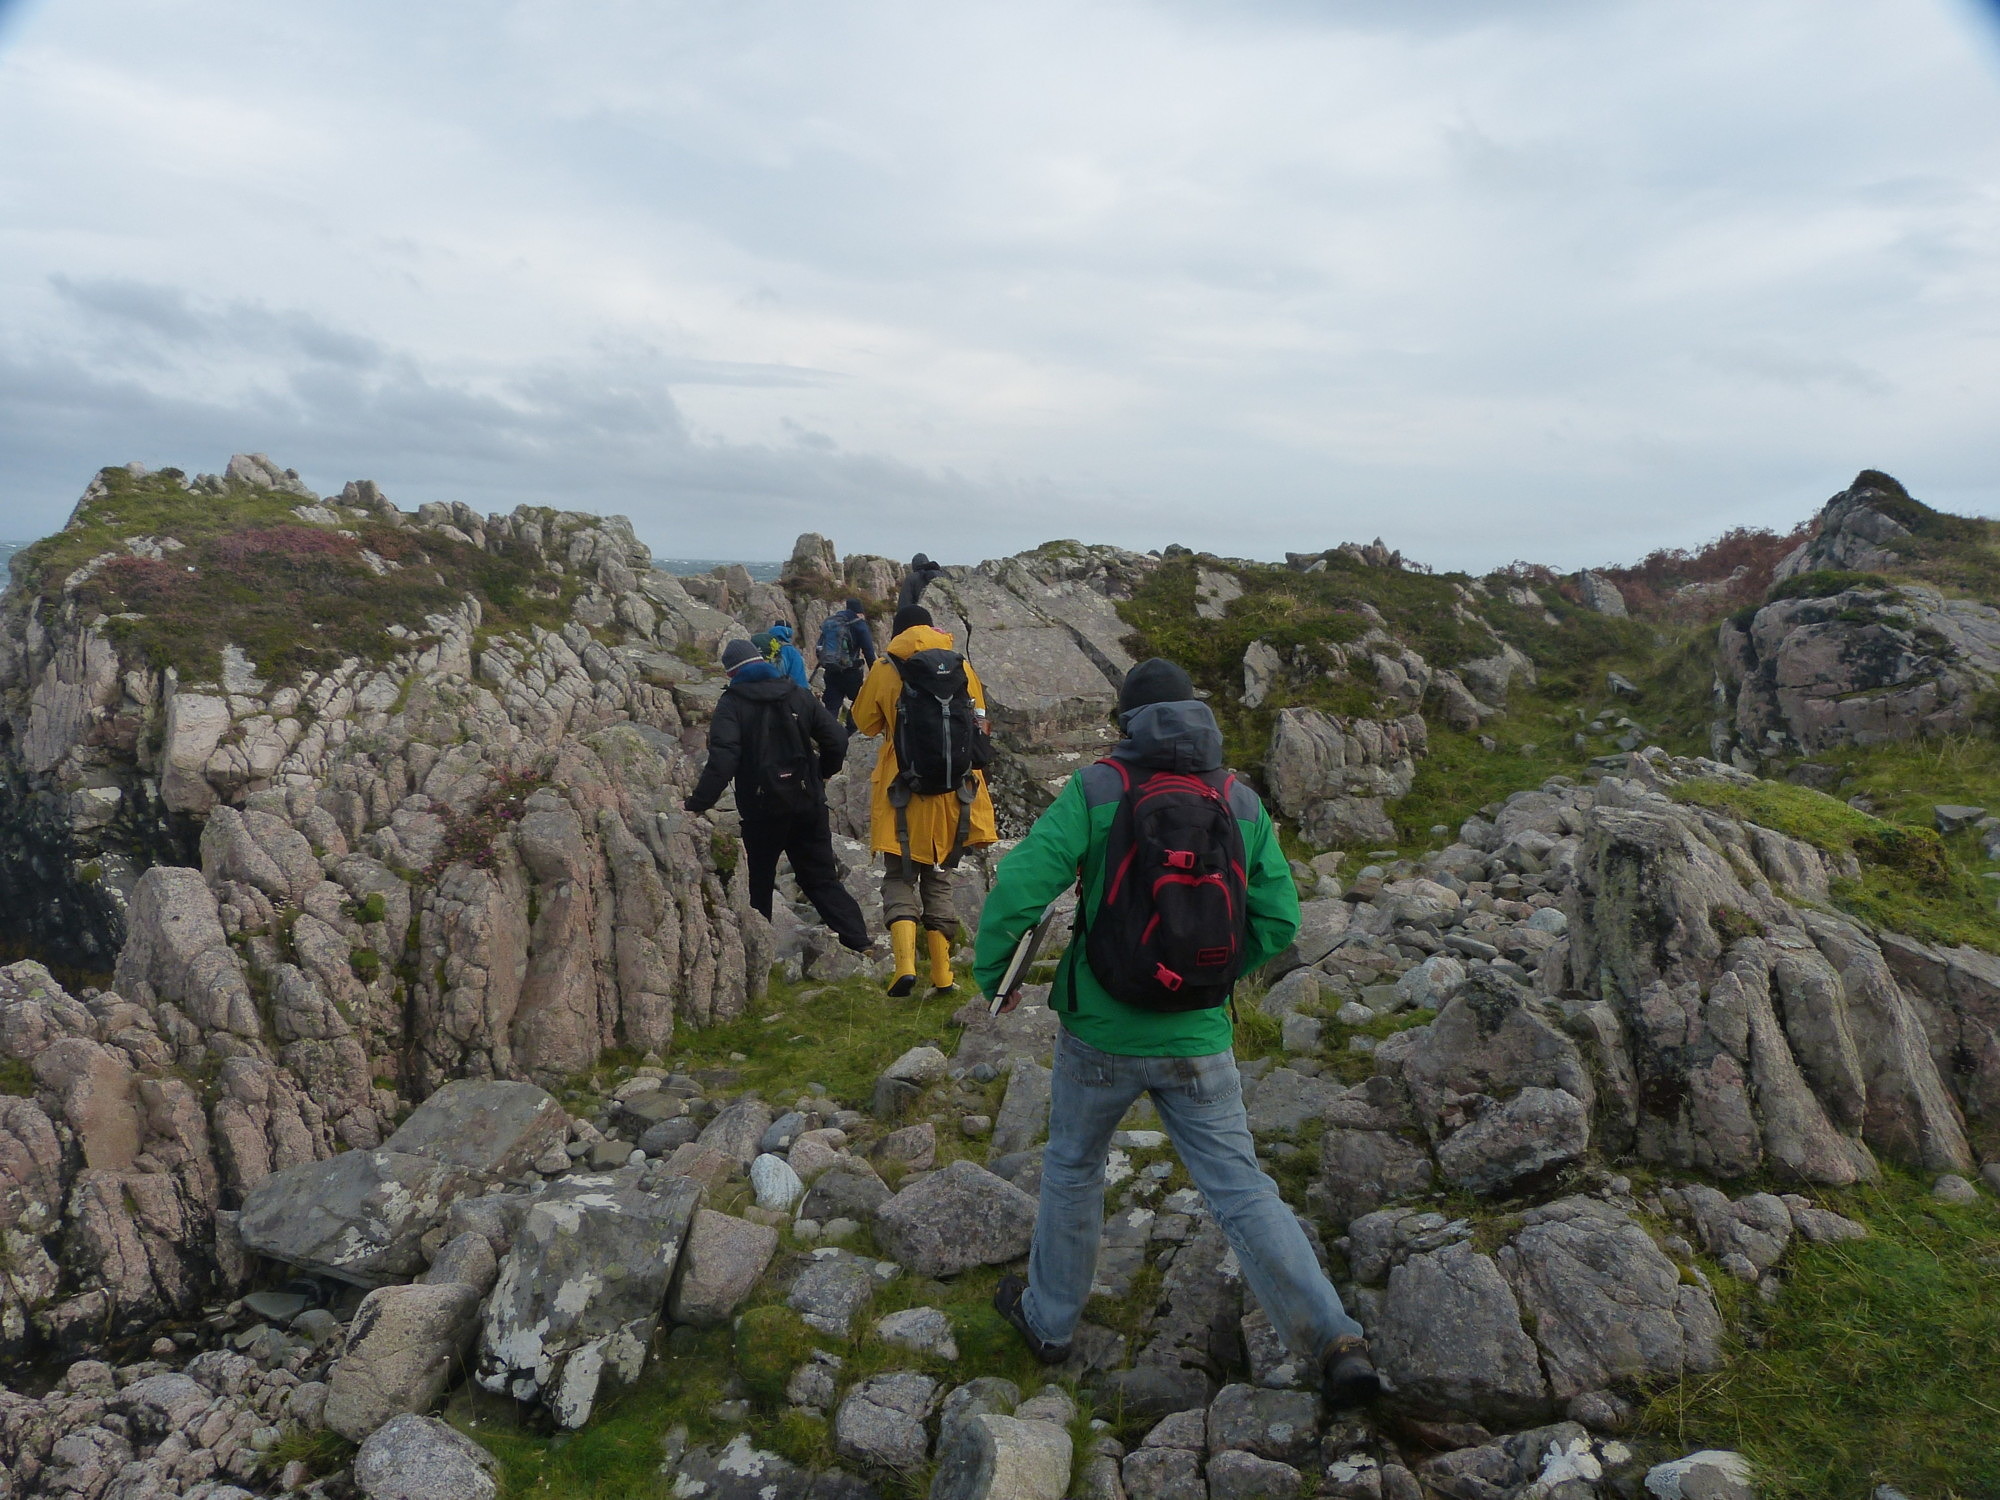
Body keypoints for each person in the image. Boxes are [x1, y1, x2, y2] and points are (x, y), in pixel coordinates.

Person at [970, 657, 1383, 1410]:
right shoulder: (1238, 798)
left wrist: (995, 975)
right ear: (1197, 718)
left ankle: (1050, 1323)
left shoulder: (1097, 789)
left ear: (1125, 723)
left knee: (1072, 1169)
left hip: (1099, 1031)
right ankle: (1333, 1339)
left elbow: (1020, 885)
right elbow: (1281, 919)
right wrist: (1210, 980)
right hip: (1198, 1037)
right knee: (1241, 1189)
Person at [684, 637, 870, 952]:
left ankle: (759, 953)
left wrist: (697, 805)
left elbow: (723, 760)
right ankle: (859, 941)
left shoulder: (731, 705)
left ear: (731, 674)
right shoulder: (798, 694)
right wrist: (821, 773)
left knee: (758, 882)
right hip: (807, 802)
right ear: (762, 662)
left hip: (762, 811)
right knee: (820, 879)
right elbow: (837, 739)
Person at [850, 603, 998, 996]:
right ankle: (944, 976)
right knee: (939, 876)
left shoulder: (885, 667)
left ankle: (904, 968)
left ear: (897, 631)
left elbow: (865, 723)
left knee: (899, 876)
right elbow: (981, 721)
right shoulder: (959, 665)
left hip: (904, 791)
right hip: (955, 794)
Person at [816, 598, 878, 722]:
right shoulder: (859, 624)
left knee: (832, 707)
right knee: (858, 703)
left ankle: (829, 736)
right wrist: (876, 673)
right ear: (859, 612)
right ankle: (850, 733)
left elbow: (821, 647)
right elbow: (869, 652)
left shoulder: (832, 623)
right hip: (851, 673)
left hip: (831, 671)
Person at [749, 620, 811, 691]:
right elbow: (799, 681)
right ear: (789, 633)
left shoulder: (762, 645)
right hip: (783, 695)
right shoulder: (792, 652)